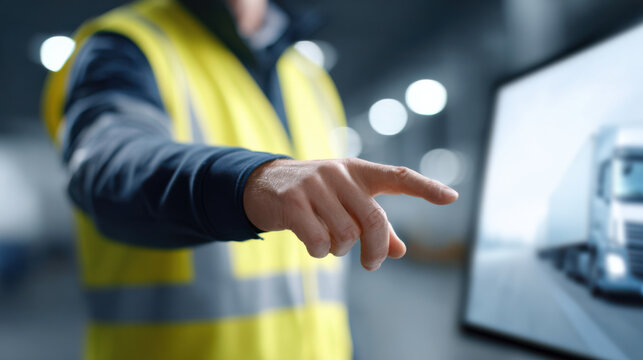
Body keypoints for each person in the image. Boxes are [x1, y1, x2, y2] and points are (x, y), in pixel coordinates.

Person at [41, 0, 459, 359]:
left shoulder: (309, 77)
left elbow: (318, 293)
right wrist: (252, 181)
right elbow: (110, 167)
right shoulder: (126, 44)